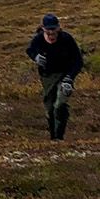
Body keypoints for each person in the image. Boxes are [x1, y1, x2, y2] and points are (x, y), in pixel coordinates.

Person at [26, 12, 84, 140]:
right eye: (48, 31)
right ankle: (53, 137)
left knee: (60, 104)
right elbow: (30, 50)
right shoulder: (38, 39)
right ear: (43, 29)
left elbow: (78, 61)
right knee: (49, 109)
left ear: (58, 28)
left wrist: (69, 78)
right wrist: (36, 57)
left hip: (65, 76)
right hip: (47, 77)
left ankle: (59, 137)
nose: (51, 34)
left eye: (54, 30)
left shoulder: (67, 39)